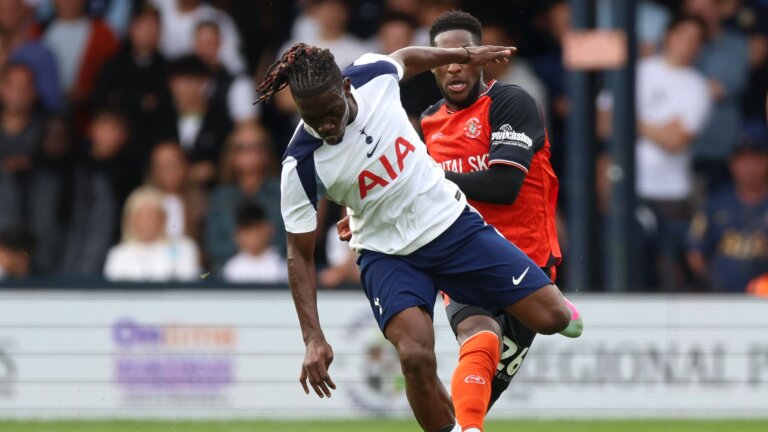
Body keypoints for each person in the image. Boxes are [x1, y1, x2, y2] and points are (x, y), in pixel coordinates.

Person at [256, 42, 573, 432]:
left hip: (451, 225)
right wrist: (312, 338)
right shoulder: (300, 166)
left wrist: (462, 54)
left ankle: (550, 298)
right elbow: (298, 256)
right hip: (389, 255)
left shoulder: (372, 75)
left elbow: (405, 57)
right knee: (415, 356)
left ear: (346, 89)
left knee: (553, 317)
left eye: (330, 112)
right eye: (311, 118)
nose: (324, 125)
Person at [418, 11, 582, 429]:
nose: (454, 66)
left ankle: (556, 306)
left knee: (485, 386)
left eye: (463, 55)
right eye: (443, 57)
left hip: (523, 258)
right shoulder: (429, 121)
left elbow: (505, 185)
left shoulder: (512, 102)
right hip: (460, 255)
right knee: (478, 337)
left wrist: (433, 178)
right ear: (432, 65)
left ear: (482, 59)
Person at [598, 15, 712, 290]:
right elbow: (603, 124)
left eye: (695, 41)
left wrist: (627, 118)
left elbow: (675, 140)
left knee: (668, 267)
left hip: (669, 191)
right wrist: (657, 128)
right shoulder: (637, 71)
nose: (688, 45)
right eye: (683, 36)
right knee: (623, 261)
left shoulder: (697, 86)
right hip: (626, 185)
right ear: (668, 36)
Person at [687, 128, 768, 292]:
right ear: (732, 164)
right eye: (743, 160)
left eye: (756, 159)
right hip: (722, 298)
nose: (749, 167)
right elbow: (695, 252)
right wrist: (711, 283)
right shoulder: (715, 204)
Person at [104, 186, 200, 282]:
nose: (147, 222)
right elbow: (113, 293)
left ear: (163, 218)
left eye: (152, 216)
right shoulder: (118, 255)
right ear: (131, 220)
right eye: (141, 216)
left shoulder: (183, 248)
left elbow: (189, 286)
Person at [221, 202, 287, 284]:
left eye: (256, 229)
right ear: (237, 235)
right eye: (247, 231)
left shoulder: (281, 267)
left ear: (268, 229)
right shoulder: (231, 269)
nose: (253, 236)